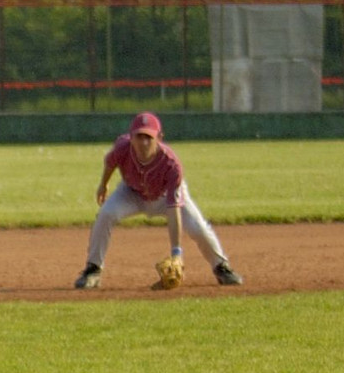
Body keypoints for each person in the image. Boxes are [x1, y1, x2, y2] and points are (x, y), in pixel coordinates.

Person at [75, 111, 242, 289]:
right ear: (131, 137)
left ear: (159, 138)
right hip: (132, 193)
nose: (143, 142)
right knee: (106, 214)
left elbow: (174, 209)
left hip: (164, 196)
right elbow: (110, 163)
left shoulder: (171, 165)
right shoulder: (122, 148)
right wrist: (103, 185)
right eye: (139, 136)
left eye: (148, 137)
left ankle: (221, 267)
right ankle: (93, 269)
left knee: (198, 227)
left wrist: (176, 252)